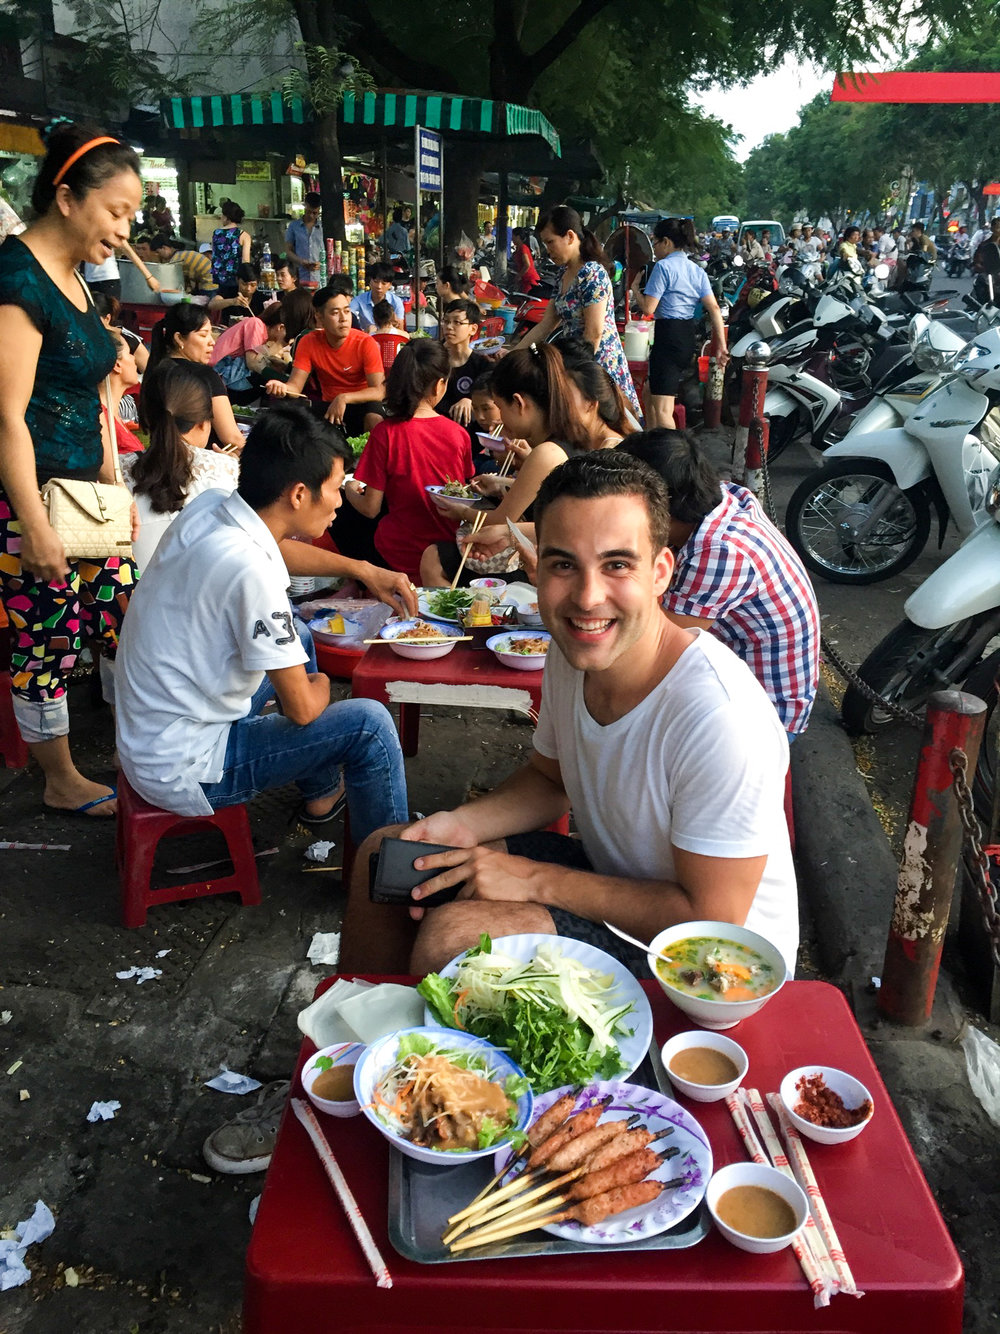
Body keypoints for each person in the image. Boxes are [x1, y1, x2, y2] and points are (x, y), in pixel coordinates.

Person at [338, 450, 797, 977]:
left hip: (715, 964)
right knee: (389, 852)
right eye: (563, 565)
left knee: (457, 941)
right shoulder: (569, 651)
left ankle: (436, 1055)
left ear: (661, 572)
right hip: (617, 879)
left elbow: (711, 917)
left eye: (617, 564)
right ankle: (364, 1040)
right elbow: (549, 778)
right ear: (536, 567)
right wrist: (460, 824)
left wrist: (531, 879)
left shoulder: (720, 718)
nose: (587, 596)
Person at [116, 401, 409, 836]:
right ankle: (388, 876)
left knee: (301, 639)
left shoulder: (213, 506)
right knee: (370, 725)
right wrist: (320, 685)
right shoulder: (248, 569)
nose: (338, 502)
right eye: (335, 487)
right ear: (298, 494)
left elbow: (274, 548)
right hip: (188, 766)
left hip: (151, 731)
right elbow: (306, 711)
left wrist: (364, 570)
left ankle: (322, 792)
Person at [0, 119, 143, 818]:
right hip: (32, 498)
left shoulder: (79, 280)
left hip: (90, 494)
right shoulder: (17, 276)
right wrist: (32, 523)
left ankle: (141, 748)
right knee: (49, 637)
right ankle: (59, 778)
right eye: (116, 211)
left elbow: (90, 396)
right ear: (66, 196)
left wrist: (115, 483)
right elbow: (6, 415)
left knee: (131, 616)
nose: (123, 230)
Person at [622, 430, 819, 737]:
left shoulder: (719, 549)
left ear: (660, 505)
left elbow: (653, 647)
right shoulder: (723, 498)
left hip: (764, 715)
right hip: (732, 683)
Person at [419, 343, 619, 587]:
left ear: (519, 403)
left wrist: (459, 511)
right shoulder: (570, 437)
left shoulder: (547, 451)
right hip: (551, 558)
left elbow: (501, 520)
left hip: (547, 570)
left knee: (433, 559)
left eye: (500, 408)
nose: (500, 419)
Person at [344, 340, 472, 583]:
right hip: (446, 553)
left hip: (396, 552)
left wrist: (350, 489)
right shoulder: (458, 434)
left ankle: (354, 586)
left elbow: (370, 508)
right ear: (439, 385)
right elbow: (460, 491)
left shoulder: (385, 433)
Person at [519, 205, 641, 418]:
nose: (547, 249)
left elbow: (593, 334)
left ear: (569, 236)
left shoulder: (592, 273)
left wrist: (580, 377)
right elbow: (547, 324)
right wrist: (515, 353)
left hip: (598, 366)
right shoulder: (562, 275)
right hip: (574, 363)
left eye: (550, 242)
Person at [122, 360, 238, 569]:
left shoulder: (116, 472)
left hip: (129, 596)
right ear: (203, 423)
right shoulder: (227, 471)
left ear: (146, 418)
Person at [631, 217, 729, 430]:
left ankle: (672, 456)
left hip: (668, 334)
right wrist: (720, 345)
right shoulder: (696, 270)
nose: (654, 249)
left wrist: (636, 290)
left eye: (655, 242)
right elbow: (714, 309)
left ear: (666, 242)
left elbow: (648, 308)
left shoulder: (663, 268)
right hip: (686, 336)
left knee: (662, 409)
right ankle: (653, 444)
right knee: (650, 392)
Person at [265, 277, 386, 436]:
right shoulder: (308, 342)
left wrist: (344, 398)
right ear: (319, 317)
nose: (344, 318)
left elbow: (379, 391)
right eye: (335, 313)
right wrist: (281, 387)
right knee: (287, 416)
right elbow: (295, 387)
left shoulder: (365, 342)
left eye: (347, 311)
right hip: (328, 405)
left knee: (374, 417)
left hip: (362, 403)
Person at [146, 304, 245, 452]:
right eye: (203, 335)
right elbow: (232, 438)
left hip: (159, 457)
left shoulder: (155, 371)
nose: (212, 342)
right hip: (203, 462)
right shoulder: (204, 376)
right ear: (179, 338)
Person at [99, 328, 143, 458]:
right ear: (117, 365)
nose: (134, 358)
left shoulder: (108, 414)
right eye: (129, 353)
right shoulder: (101, 419)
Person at [148, 233, 216, 294]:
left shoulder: (176, 260)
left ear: (164, 248)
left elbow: (172, 280)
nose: (159, 256)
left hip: (210, 284)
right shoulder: (181, 255)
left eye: (158, 252)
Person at [211, 199, 252, 295]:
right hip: (236, 279)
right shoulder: (244, 235)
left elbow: (214, 254)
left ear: (227, 217)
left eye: (222, 215)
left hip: (219, 278)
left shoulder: (216, 233)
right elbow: (246, 261)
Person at [350, 261, 405, 330]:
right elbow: (350, 314)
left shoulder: (396, 302)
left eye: (384, 283)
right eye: (376, 281)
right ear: (370, 281)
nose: (379, 286)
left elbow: (400, 330)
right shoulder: (358, 301)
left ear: (390, 285)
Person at [285, 192, 323, 287]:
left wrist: (321, 263)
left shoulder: (323, 227)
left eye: (315, 213)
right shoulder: (294, 226)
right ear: (305, 206)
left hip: (320, 277)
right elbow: (287, 250)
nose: (311, 216)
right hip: (300, 276)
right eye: (309, 212)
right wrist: (301, 261)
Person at [369, 298, 409, 372]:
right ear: (392, 316)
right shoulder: (403, 335)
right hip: (398, 373)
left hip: (377, 372)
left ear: (374, 318)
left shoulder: (370, 338)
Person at [511, 226, 540, 294]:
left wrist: (519, 276)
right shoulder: (518, 249)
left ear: (518, 237)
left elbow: (527, 264)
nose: (512, 239)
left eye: (513, 236)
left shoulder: (523, 248)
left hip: (530, 280)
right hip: (524, 280)